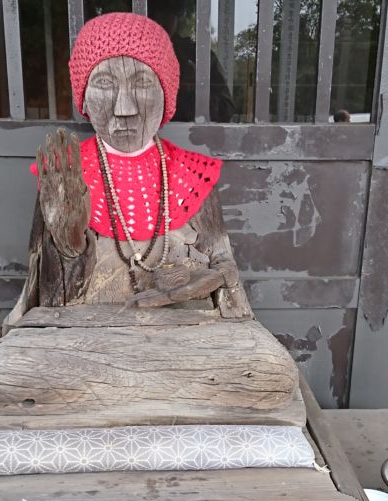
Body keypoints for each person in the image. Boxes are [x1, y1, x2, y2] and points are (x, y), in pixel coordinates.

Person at [14, 12, 252, 323]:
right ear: (83, 97)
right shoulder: (63, 174)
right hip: (85, 339)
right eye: (104, 83)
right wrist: (66, 242)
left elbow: (225, 272)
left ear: (166, 94)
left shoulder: (194, 175)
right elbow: (43, 294)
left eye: (142, 83)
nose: (124, 108)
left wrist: (208, 280)